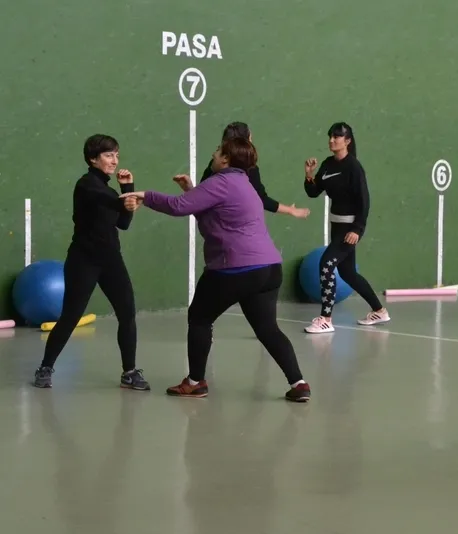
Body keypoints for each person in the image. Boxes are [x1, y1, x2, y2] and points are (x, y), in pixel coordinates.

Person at [120, 138, 312, 402]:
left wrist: (145, 195)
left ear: (225, 159)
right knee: (268, 328)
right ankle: (299, 384)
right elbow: (216, 215)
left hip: (235, 268)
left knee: (199, 317)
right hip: (268, 269)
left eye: (218, 151)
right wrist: (192, 191)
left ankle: (195, 382)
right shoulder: (244, 183)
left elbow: (178, 207)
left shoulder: (220, 182)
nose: (213, 154)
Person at [33, 134, 149, 391]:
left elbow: (123, 223)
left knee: (127, 313)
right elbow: (112, 202)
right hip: (83, 260)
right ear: (93, 159)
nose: (114, 160)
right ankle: (45, 367)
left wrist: (128, 189)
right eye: (108, 155)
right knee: (71, 316)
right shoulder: (86, 185)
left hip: (111, 261)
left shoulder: (108, 189)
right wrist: (128, 197)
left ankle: (129, 372)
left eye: (117, 155)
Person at [302, 122, 389, 334]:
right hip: (336, 226)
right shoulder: (328, 164)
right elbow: (313, 192)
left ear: (347, 141)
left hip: (349, 229)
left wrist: (357, 229)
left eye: (337, 137)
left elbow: (364, 201)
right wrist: (308, 175)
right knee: (348, 273)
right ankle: (379, 310)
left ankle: (326, 318)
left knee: (325, 264)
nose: (332, 140)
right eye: (330, 136)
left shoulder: (354, 168)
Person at [200, 121, 310, 219]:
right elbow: (261, 199)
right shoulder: (249, 169)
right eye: (250, 139)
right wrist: (291, 210)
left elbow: (202, 190)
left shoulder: (215, 163)